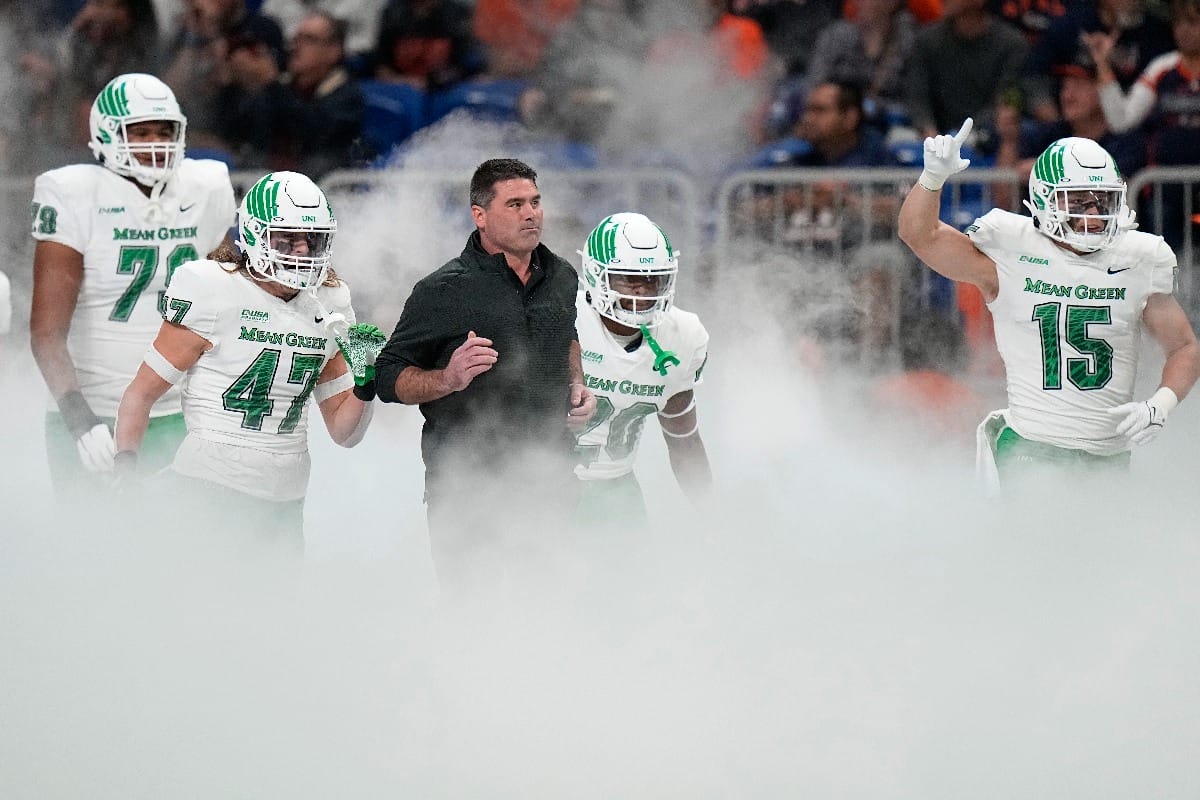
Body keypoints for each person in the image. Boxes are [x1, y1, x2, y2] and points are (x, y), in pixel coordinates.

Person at [898, 119, 1200, 486]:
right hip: (1030, 446)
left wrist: (1161, 405)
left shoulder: (1138, 258)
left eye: (1101, 200)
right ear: (1043, 198)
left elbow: (1184, 347)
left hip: (1108, 454)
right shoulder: (1012, 253)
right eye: (1077, 201)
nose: (1092, 214)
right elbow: (920, 235)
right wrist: (932, 179)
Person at [113, 171, 381, 545]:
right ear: (254, 234)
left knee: (275, 604)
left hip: (285, 503)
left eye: (311, 239)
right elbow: (140, 394)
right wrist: (125, 466)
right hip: (209, 490)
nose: (302, 249)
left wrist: (368, 384)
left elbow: (343, 433)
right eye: (287, 238)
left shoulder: (331, 303)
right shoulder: (212, 289)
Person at [374, 157, 596, 591]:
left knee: (549, 615)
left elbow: (566, 336)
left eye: (535, 201)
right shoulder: (442, 290)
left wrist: (576, 382)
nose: (531, 213)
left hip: (549, 480)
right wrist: (447, 379)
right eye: (514, 204)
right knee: (474, 623)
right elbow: (387, 376)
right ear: (479, 216)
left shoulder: (562, 276)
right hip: (467, 490)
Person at [30, 72, 236, 498]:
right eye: (139, 132)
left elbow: (231, 299)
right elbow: (47, 333)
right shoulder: (73, 193)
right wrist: (79, 420)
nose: (155, 143)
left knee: (191, 552)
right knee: (94, 553)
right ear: (107, 135)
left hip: (183, 411)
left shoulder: (205, 184)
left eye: (164, 131)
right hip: (95, 414)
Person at [573, 212, 711, 532]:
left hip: (618, 492)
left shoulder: (683, 336)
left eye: (653, 279)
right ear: (595, 274)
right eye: (628, 278)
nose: (643, 291)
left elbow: (685, 442)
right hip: (544, 484)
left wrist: (712, 516)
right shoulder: (565, 316)